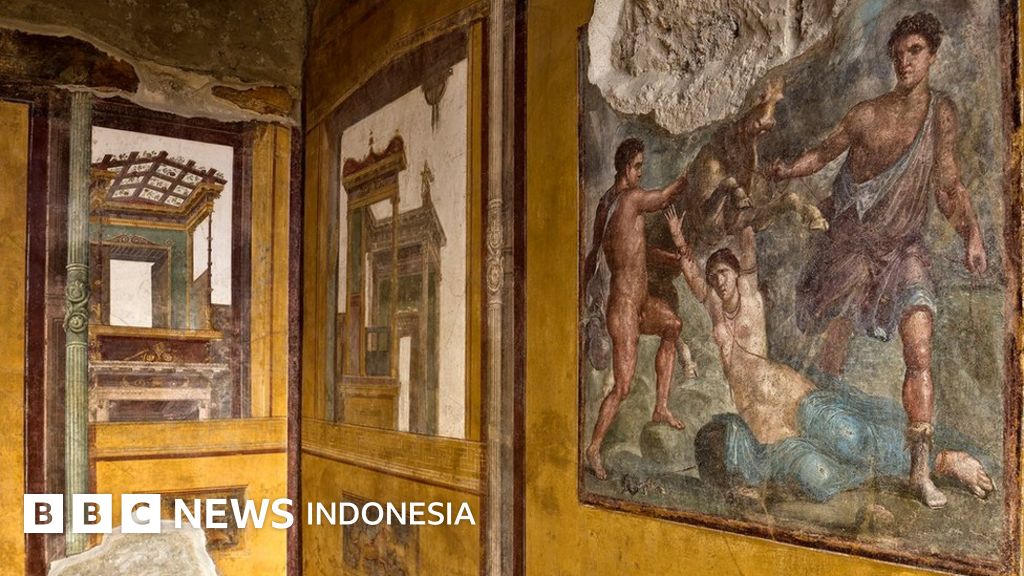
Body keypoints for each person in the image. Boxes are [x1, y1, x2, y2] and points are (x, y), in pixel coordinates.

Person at [767, 11, 987, 508]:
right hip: (852, 245)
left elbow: (948, 187)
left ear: (932, 56)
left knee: (920, 349)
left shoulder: (940, 114)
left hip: (903, 247)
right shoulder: (866, 114)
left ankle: (919, 470)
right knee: (831, 349)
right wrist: (786, 171)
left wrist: (972, 233)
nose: (906, 61)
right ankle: (822, 435)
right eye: (899, 52)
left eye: (916, 51)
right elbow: (822, 154)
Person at [662, 208, 993, 504]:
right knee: (818, 481)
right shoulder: (714, 307)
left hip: (791, 397)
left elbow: (747, 241)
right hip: (764, 423)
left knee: (853, 438)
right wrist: (678, 239)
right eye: (714, 276)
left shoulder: (750, 296)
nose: (719, 280)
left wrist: (745, 207)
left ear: (736, 273)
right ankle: (870, 477)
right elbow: (692, 274)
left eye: (724, 272)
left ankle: (942, 462)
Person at [582, 137, 689, 480]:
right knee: (623, 387)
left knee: (673, 325)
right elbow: (664, 197)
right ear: (626, 167)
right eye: (638, 166)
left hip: (639, 302)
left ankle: (661, 407)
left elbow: (622, 253)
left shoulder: (606, 205)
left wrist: (669, 258)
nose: (641, 173)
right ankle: (594, 448)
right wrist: (686, 178)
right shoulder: (630, 199)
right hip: (624, 307)